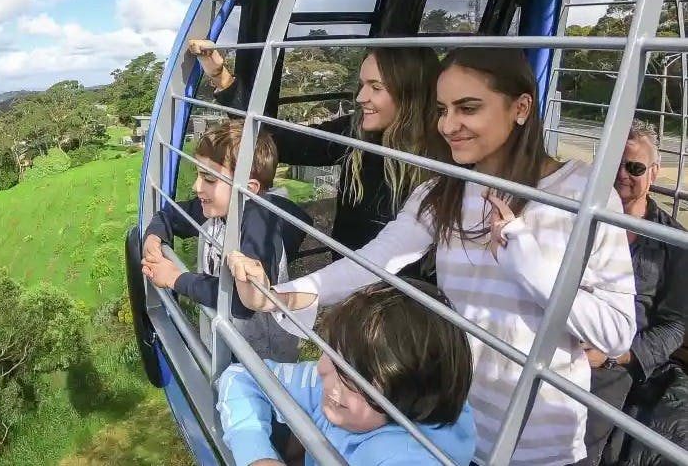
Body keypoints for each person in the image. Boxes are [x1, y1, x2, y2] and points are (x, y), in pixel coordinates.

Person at [227, 48, 638, 465]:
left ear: (521, 107)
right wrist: (280, 294)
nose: (448, 125)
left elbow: (617, 333)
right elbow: (377, 259)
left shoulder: (583, 193)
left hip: (538, 443)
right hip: (448, 431)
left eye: (468, 108)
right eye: (442, 109)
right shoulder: (441, 191)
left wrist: (532, 267)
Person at [189, 40, 444, 265]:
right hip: (348, 281)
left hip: (405, 296)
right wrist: (221, 77)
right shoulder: (354, 133)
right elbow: (282, 141)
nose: (360, 97)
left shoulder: (443, 158)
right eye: (362, 84)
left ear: (411, 94)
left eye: (376, 88)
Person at [217, 279, 477, 466]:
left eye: (347, 369)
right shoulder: (341, 393)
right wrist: (257, 455)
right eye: (329, 352)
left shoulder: (406, 457)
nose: (321, 369)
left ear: (407, 389)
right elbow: (243, 376)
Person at [141, 119, 312, 362]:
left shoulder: (260, 223)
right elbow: (169, 216)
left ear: (249, 189)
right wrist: (154, 237)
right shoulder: (219, 206)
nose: (196, 186)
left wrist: (176, 278)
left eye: (209, 179)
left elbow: (243, 301)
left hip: (260, 364)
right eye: (199, 175)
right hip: (225, 346)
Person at [583, 120, 688, 465]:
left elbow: (674, 326)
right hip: (567, 337)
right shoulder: (581, 219)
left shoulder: (673, 244)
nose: (623, 174)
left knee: (580, 438)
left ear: (654, 173)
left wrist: (616, 356)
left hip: (617, 361)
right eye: (614, 164)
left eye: (635, 167)